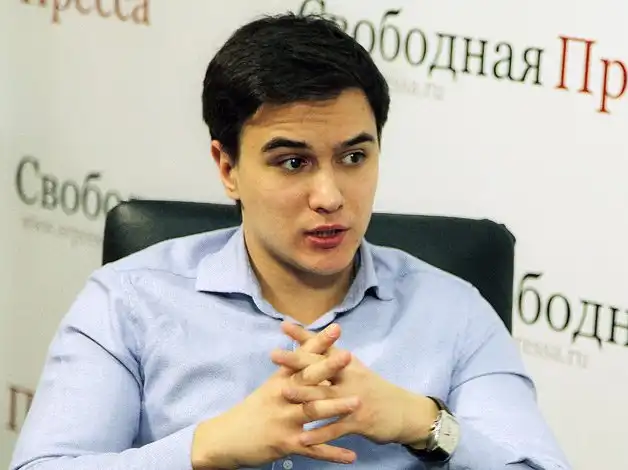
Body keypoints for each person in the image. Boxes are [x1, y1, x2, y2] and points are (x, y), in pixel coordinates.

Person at [9, 12, 571, 470]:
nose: (330, 196)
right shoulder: (127, 302)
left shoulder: (454, 312)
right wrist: (206, 446)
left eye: (354, 157)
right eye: (293, 162)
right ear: (227, 167)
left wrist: (422, 423)